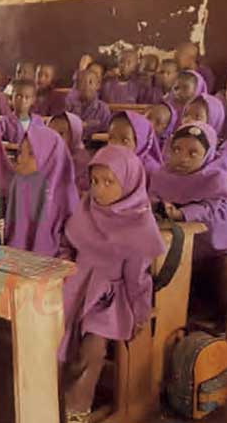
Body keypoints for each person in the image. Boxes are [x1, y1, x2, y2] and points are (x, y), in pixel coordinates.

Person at [61, 145, 165, 423]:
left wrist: (140, 314)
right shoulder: (86, 208)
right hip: (77, 283)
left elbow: (138, 280)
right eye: (94, 181)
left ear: (129, 184)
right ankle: (52, 389)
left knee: (92, 347)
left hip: (110, 297)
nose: (98, 190)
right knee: (54, 330)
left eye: (109, 182)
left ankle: (76, 408)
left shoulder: (138, 223)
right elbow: (68, 243)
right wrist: (63, 262)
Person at [150, 122, 227, 328]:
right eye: (176, 150)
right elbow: (153, 200)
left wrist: (181, 213)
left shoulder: (216, 178)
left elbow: (209, 208)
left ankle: (220, 327)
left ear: (208, 154)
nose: (182, 158)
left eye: (193, 153)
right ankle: (180, 325)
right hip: (180, 251)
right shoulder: (162, 175)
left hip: (217, 249)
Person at [3, 124, 78, 258]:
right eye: (20, 152)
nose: (21, 159)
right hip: (16, 257)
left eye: (31, 154)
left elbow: (70, 242)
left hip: (52, 262)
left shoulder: (61, 193)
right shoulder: (19, 182)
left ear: (50, 157)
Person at [181, 94, 227, 176]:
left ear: (213, 121)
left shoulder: (224, 150)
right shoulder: (175, 142)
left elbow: (219, 176)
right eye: (186, 115)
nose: (188, 120)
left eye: (197, 117)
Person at [107, 111, 163, 180]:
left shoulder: (151, 170)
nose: (115, 145)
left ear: (140, 143)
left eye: (125, 141)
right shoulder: (107, 161)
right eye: (111, 138)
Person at [49, 112, 91, 193]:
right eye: (51, 133)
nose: (55, 137)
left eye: (61, 133)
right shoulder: (46, 155)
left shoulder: (80, 160)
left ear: (75, 135)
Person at [65, 68, 111, 140]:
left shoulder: (103, 109)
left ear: (98, 85)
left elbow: (107, 134)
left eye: (90, 82)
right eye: (81, 83)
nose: (85, 86)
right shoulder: (69, 106)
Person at [0, 79, 43, 143]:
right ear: (12, 97)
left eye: (27, 97)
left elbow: (43, 141)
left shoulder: (38, 121)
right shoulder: (3, 122)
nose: (23, 100)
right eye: (19, 96)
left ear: (33, 100)